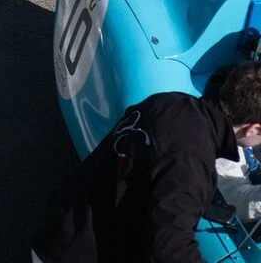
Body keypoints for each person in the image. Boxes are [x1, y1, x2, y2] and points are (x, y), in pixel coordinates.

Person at [32, 60, 261, 263]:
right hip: (80, 253)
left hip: (64, 226)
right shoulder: (191, 162)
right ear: (253, 128)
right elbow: (170, 248)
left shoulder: (171, 102)